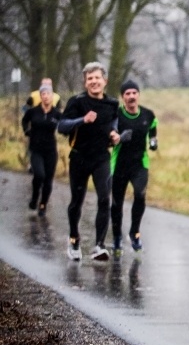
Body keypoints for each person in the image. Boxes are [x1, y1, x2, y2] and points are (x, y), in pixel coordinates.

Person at [58, 62, 121, 261]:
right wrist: (82, 120)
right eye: (90, 79)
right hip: (79, 157)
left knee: (105, 199)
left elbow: (114, 123)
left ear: (105, 81)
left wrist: (115, 134)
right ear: (85, 83)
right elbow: (62, 126)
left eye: (97, 78)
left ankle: (99, 246)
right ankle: (74, 239)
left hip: (102, 157)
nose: (94, 82)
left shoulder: (112, 104)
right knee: (77, 201)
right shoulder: (77, 102)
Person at [110, 79, 158, 256]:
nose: (131, 96)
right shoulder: (116, 115)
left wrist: (153, 143)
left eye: (134, 93)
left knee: (140, 194)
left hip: (140, 164)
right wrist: (120, 137)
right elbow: (109, 137)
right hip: (119, 164)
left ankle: (135, 233)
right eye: (127, 94)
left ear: (138, 95)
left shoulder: (148, 115)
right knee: (117, 204)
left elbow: (153, 131)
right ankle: (116, 238)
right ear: (123, 98)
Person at [21, 83, 62, 216]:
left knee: (48, 179)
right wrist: (27, 130)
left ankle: (43, 204)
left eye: (48, 94)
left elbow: (65, 125)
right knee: (39, 175)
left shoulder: (56, 113)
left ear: (52, 96)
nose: (46, 96)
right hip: (36, 149)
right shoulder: (33, 111)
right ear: (40, 96)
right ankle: (34, 197)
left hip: (50, 150)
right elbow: (24, 120)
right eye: (43, 94)